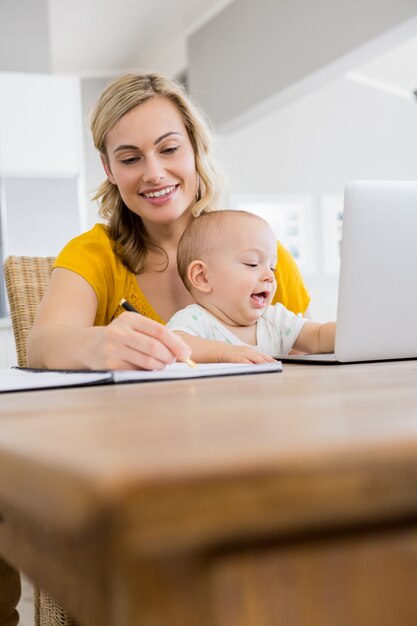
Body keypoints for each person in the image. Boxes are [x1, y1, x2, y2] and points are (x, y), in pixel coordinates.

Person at [27, 72, 310, 371]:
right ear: (108, 169)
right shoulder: (92, 255)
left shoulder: (264, 258)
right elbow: (41, 346)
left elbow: (305, 360)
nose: (154, 173)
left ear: (195, 148)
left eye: (169, 149)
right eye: (130, 159)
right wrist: (97, 345)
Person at [167, 210, 335, 362]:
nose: (270, 276)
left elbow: (317, 336)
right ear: (203, 277)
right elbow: (174, 345)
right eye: (252, 264)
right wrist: (224, 353)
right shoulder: (197, 320)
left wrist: (352, 333)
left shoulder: (275, 320)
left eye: (272, 267)